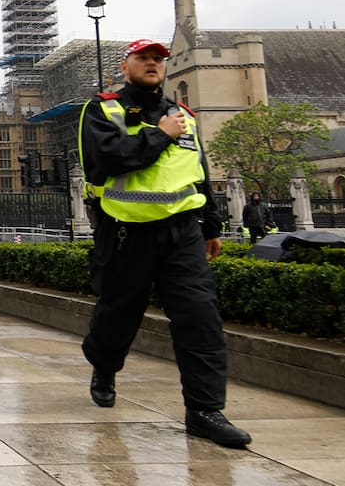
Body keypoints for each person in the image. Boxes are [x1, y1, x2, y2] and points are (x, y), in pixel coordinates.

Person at [79, 38, 251, 448]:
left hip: (182, 233)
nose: (153, 64)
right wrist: (159, 135)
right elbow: (108, 160)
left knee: (200, 318)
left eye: (158, 59)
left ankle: (204, 410)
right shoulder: (103, 109)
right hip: (125, 230)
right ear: (126, 66)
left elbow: (198, 171)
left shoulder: (184, 115)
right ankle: (104, 366)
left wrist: (211, 224)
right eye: (144, 58)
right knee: (118, 317)